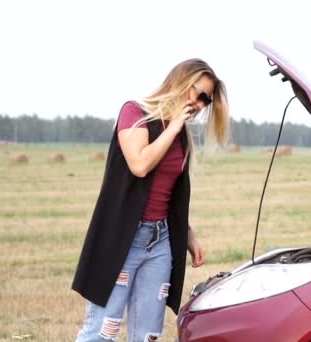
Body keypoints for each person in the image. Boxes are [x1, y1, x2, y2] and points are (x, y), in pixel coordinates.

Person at [72, 58, 229, 342]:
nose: (201, 104)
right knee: (100, 334)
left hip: (160, 243)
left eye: (207, 101)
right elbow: (140, 165)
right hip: (122, 240)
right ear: (181, 82)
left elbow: (167, 192)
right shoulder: (134, 113)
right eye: (200, 94)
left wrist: (189, 236)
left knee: (147, 337)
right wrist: (173, 126)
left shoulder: (180, 135)